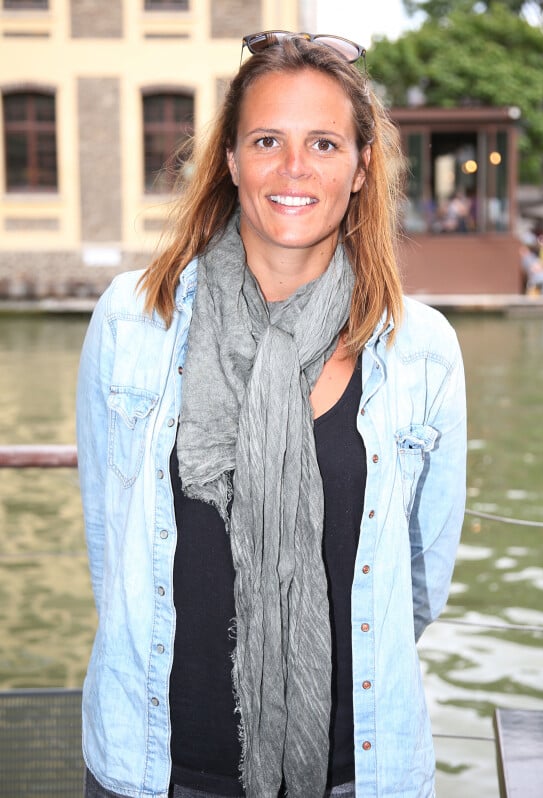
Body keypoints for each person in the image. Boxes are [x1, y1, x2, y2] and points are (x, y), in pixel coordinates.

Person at [77, 31, 466, 798]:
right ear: (229, 160)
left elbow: (420, 580)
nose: (295, 169)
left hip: (354, 774)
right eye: (267, 140)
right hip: (155, 769)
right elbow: (109, 543)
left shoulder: (422, 349)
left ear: (360, 168)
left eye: (324, 143)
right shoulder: (133, 320)